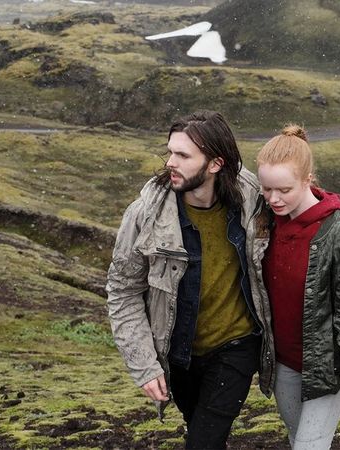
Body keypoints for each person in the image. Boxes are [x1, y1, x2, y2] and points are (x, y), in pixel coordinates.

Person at [105, 111, 275, 450]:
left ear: (215, 164)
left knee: (203, 442)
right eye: (170, 152)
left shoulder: (253, 198)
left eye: (182, 155)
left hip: (236, 346)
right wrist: (144, 364)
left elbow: (301, 200)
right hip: (178, 355)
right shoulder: (144, 215)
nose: (171, 162)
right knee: (202, 431)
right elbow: (123, 291)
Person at [256, 124, 340, 449]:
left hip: (328, 371)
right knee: (299, 439)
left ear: (308, 179)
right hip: (283, 365)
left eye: (283, 189)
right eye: (266, 189)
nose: (273, 198)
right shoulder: (265, 219)